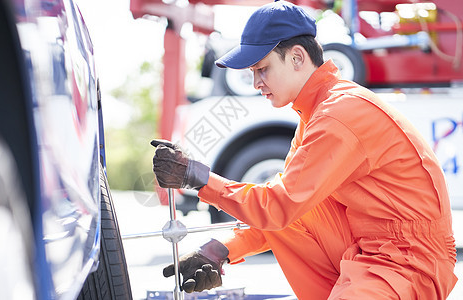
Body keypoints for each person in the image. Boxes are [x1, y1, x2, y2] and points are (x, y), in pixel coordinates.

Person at [150, 1, 458, 299]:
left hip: (408, 261)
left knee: (283, 202)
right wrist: (220, 248)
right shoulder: (317, 113)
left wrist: (196, 177)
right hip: (370, 249)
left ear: (297, 58)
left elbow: (277, 206)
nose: (256, 82)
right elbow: (286, 211)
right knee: (292, 201)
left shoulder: (339, 114)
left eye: (263, 69)